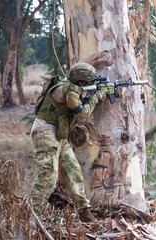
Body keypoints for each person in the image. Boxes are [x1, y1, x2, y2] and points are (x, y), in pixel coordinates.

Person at [30, 62, 107, 222]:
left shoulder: (69, 86)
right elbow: (82, 113)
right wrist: (97, 97)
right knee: (49, 175)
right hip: (45, 133)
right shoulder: (69, 89)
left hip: (58, 134)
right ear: (82, 82)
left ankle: (84, 211)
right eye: (89, 82)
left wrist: (98, 96)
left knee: (73, 172)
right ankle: (30, 216)